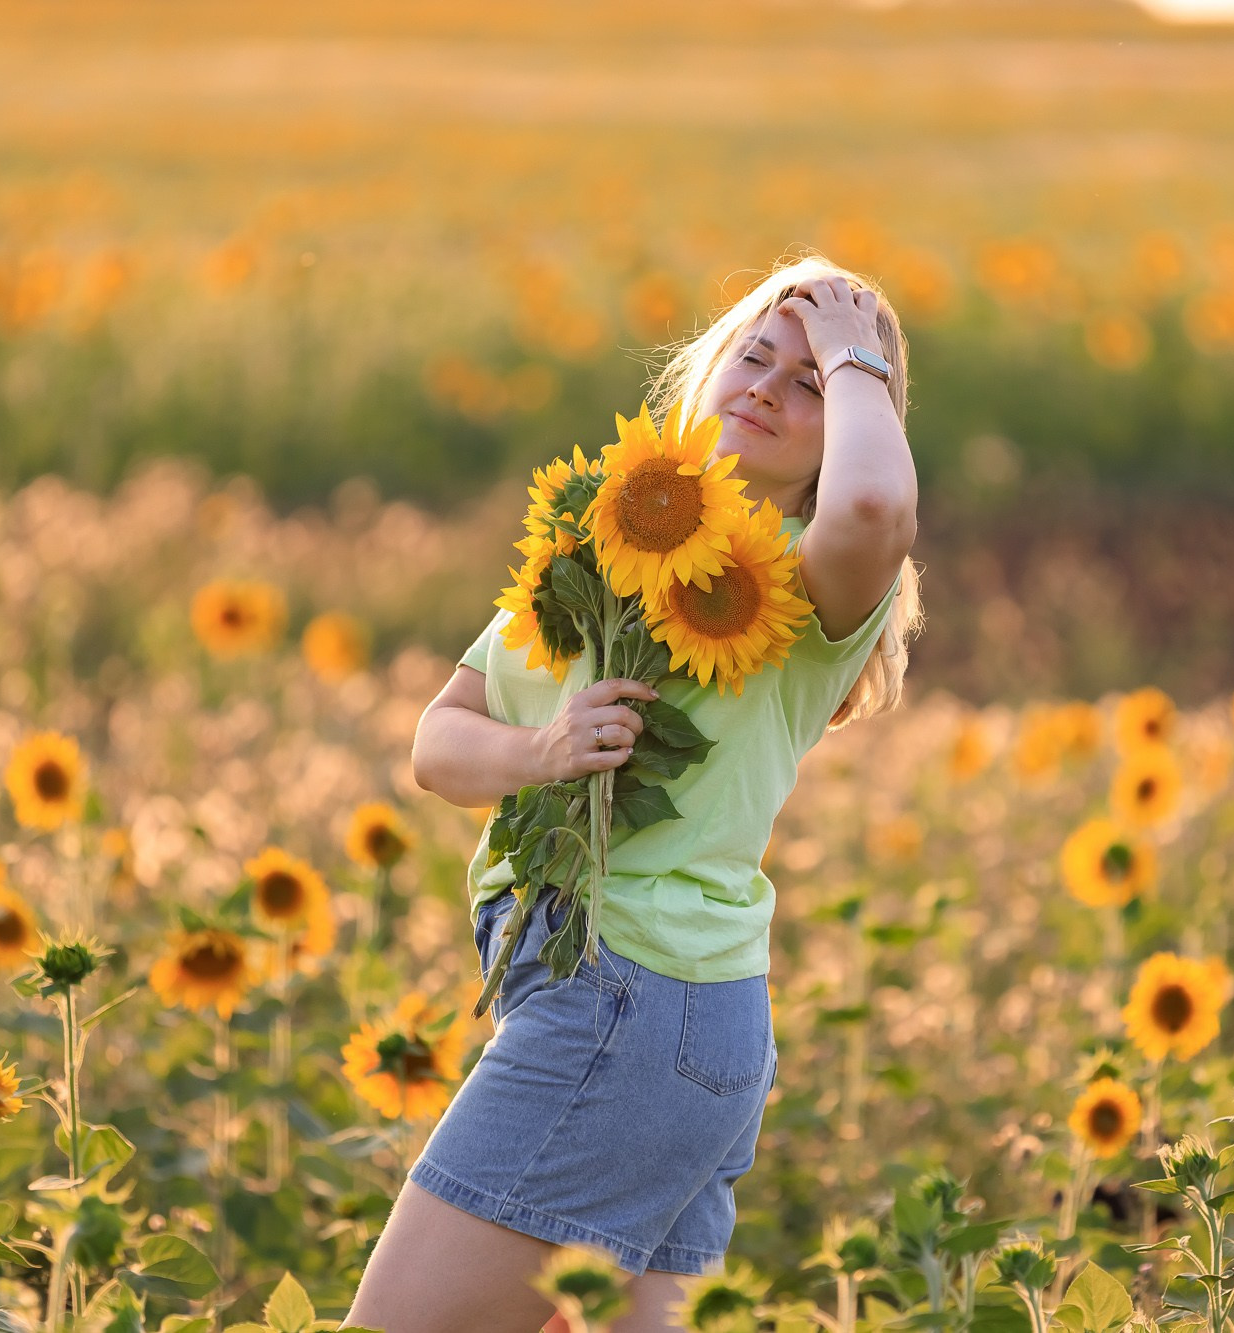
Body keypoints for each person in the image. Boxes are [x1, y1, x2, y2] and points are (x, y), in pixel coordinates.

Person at [344, 253, 924, 1333]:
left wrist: (857, 355)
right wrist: (545, 750)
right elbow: (438, 742)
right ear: (703, 375)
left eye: (810, 385)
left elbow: (879, 500)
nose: (767, 386)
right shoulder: (590, 551)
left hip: (628, 1002)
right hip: (655, 1017)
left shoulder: (805, 585)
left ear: (846, 425)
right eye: (753, 357)